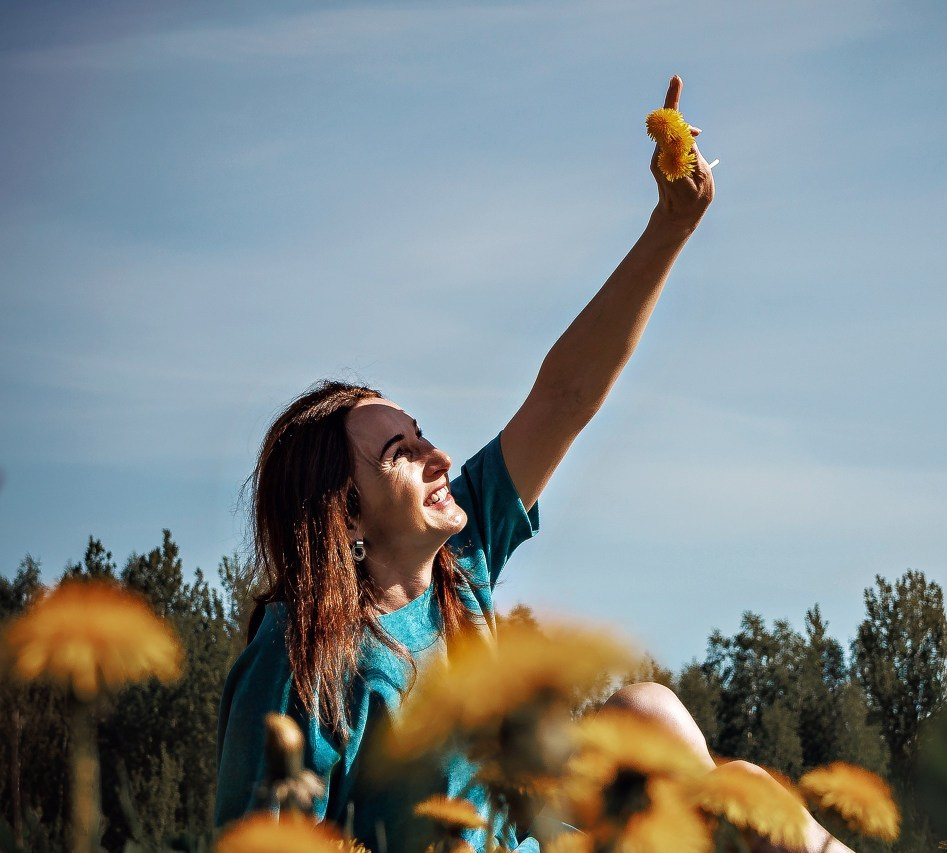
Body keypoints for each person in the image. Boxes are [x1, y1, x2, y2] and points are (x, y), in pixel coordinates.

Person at [215, 77, 851, 853]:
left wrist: (670, 227)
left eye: (420, 432)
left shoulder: (462, 559)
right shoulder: (298, 656)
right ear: (343, 511)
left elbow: (564, 397)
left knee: (681, 736)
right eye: (401, 453)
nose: (437, 454)